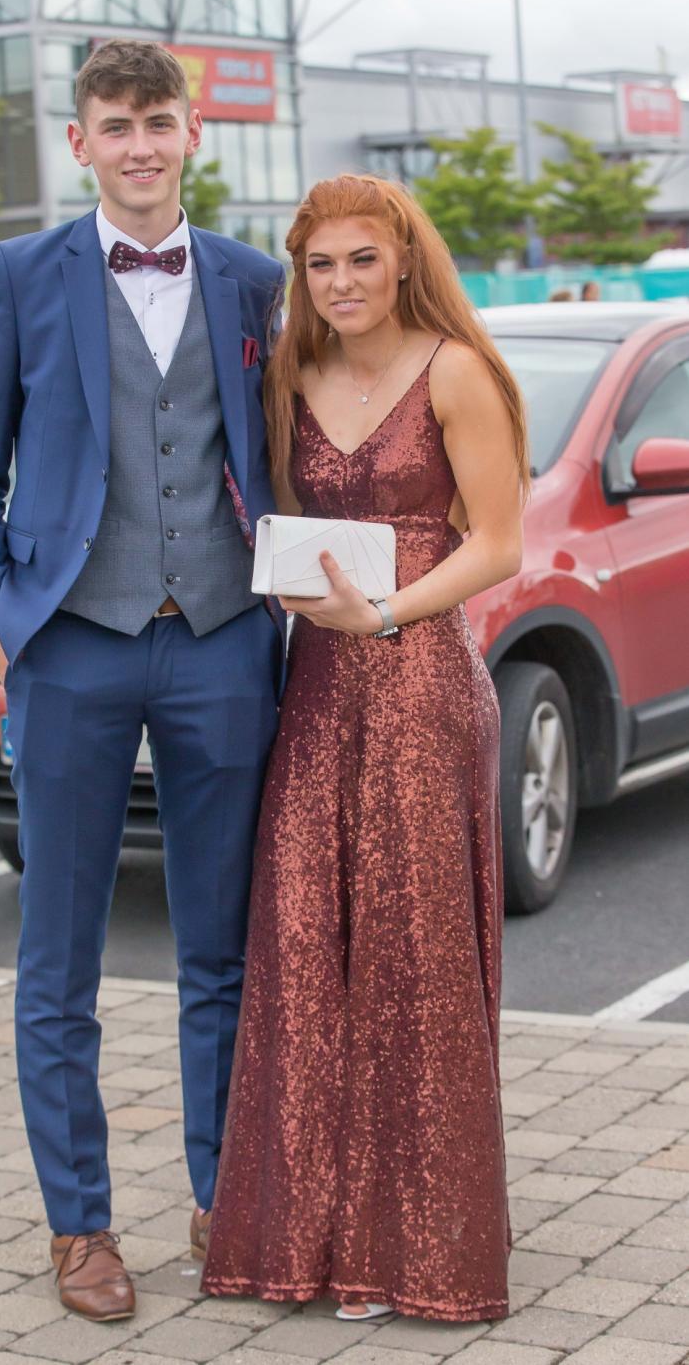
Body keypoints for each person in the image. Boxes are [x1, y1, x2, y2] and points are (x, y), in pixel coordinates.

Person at [0, 39, 286, 1322]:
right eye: (116, 124)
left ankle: (223, 1194)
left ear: (193, 133)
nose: (140, 144)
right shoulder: (21, 275)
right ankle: (79, 1225)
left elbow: (287, 454)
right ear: (79, 142)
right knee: (59, 954)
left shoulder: (255, 282)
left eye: (158, 120)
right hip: (73, 642)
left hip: (223, 638)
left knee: (223, 944)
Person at [201, 174, 526, 1323]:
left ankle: (421, 1249)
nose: (340, 282)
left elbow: (499, 543)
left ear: (401, 262)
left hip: (421, 685)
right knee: (306, 954)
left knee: (412, 968)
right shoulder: (291, 374)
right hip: (317, 691)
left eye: (361, 259)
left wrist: (382, 613)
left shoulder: (456, 370)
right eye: (320, 264)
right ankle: (314, 1238)